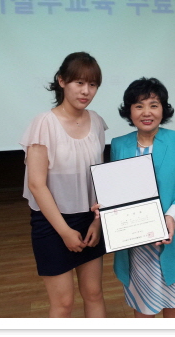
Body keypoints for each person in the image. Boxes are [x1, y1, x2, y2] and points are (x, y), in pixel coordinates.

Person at [94, 77, 175, 318]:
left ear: (163, 109)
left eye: (154, 105)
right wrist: (106, 207)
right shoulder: (119, 145)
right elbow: (117, 189)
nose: (146, 112)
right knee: (143, 315)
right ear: (129, 111)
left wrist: (171, 217)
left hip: (174, 239)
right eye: (139, 106)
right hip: (136, 245)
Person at [20, 52, 107, 318]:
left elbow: (100, 177)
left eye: (92, 84)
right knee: (64, 303)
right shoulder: (43, 123)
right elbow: (36, 185)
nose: (86, 91)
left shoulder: (97, 121)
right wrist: (65, 231)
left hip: (89, 219)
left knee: (94, 294)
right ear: (61, 81)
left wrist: (98, 222)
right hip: (52, 223)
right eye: (79, 82)